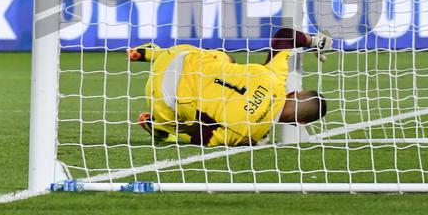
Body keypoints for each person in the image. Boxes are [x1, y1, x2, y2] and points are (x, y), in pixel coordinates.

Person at [129, 29, 332, 147]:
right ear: (300, 122)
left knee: (228, 61)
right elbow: (204, 138)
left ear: (293, 93)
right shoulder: (249, 133)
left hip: (177, 56)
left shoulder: (276, 78)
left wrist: (315, 41)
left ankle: (152, 54)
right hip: (162, 99)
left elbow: (285, 36)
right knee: (203, 123)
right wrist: (250, 142)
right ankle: (162, 127)